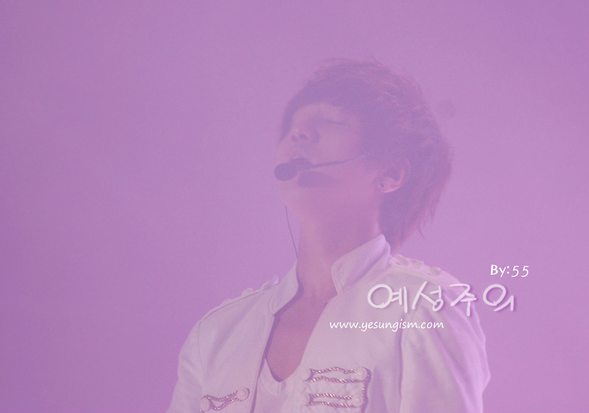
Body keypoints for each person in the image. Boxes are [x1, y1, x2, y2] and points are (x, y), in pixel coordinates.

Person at [167, 60, 489, 413]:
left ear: (391, 173)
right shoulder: (217, 333)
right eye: (292, 126)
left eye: (333, 122)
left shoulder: (424, 309)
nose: (299, 133)